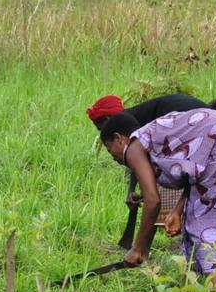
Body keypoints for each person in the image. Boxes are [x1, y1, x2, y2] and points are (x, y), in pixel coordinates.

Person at [100, 109, 216, 275]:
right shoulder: (150, 140)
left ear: (119, 138)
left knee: (203, 222)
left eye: (110, 150)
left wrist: (137, 249)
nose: (113, 158)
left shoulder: (133, 146)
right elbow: (193, 176)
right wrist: (177, 211)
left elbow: (152, 200)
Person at [87, 93, 207, 224]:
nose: (101, 132)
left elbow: (138, 159)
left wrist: (145, 191)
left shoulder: (128, 127)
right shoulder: (132, 124)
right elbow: (136, 160)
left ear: (108, 118)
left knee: (176, 177)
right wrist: (132, 190)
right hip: (205, 120)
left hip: (195, 122)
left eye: (101, 127)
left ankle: (173, 221)